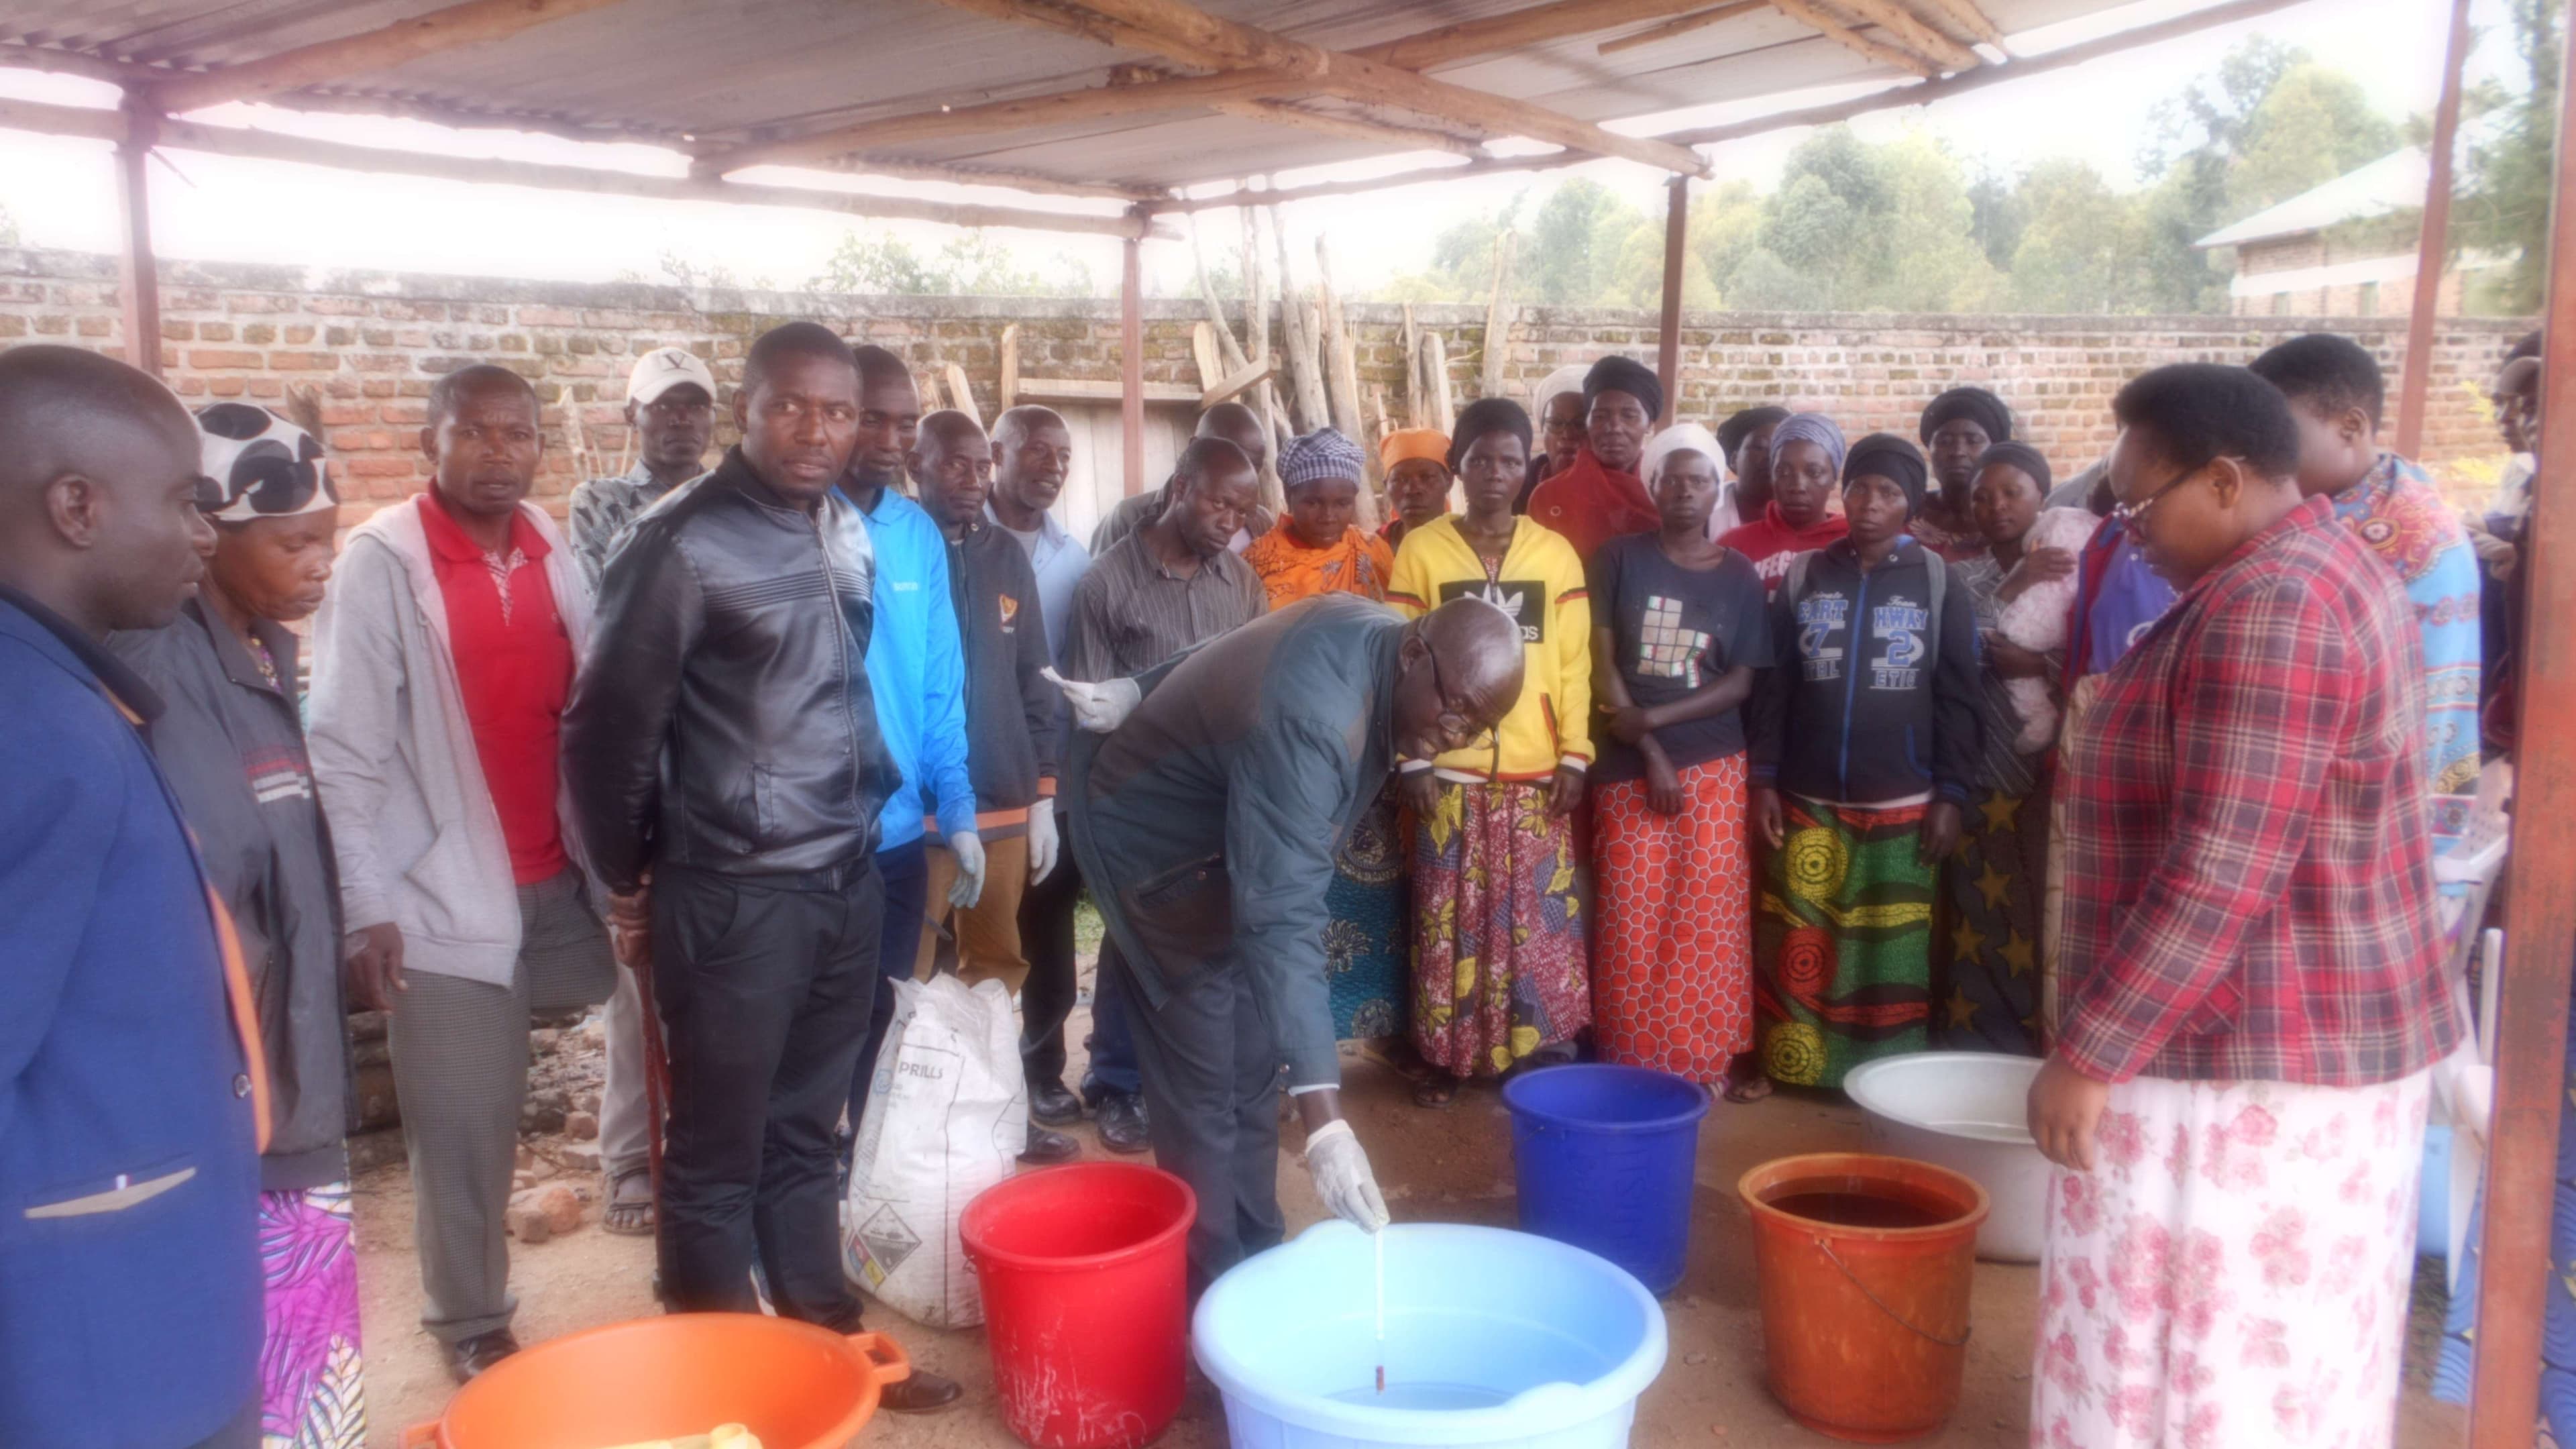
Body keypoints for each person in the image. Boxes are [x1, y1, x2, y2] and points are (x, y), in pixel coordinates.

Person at [2027, 363, 2457, 1449]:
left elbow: (2222, 864)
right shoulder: (2297, 573)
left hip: (2261, 1065)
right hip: (2269, 1037)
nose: (2124, 536)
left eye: (2136, 506)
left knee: (2211, 1364)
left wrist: (2091, 1051)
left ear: (2224, 481)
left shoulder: (2276, 605)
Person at [561, 323, 962, 1413]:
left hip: (842, 874)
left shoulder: (841, 526)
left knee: (807, 1127)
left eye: (838, 412)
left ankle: (824, 1336)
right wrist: (633, 879)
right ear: (747, 408)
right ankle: (718, 1386)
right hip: (731, 893)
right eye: (792, 407)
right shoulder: (682, 542)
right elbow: (605, 737)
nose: (818, 432)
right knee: (715, 1150)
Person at [1060, 592, 1527, 1289]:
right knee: (1204, 1091)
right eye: (1456, 709)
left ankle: (1260, 1263)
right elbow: (1280, 913)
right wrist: (1329, 1127)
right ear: (1414, 656)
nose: (1458, 734)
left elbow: (1232, 648)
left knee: (1253, 1069)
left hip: (1229, 842)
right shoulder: (1316, 721)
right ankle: (1213, 1302)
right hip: (1152, 851)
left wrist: (1141, 684)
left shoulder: (1376, 634)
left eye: (1479, 727)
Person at [308, 364, 615, 1382]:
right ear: (427, 444)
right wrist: (367, 905)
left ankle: (660, 1200)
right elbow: (344, 751)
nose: (500, 453)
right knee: (464, 1115)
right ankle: (472, 1322)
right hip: (442, 892)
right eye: (474, 434)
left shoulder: (548, 545)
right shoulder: (384, 563)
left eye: (518, 434)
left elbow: (593, 710)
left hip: (558, 874)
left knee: (685, 996)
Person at [0, 345, 264, 1449]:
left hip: (133, 1295)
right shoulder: (37, 728)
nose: (207, 534)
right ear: (76, 505)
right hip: (106, 1342)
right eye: (184, 500)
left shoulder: (66, 690)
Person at [107, 403, 364, 1444]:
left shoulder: (257, 652)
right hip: (246, 1107)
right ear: (214, 533)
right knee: (281, 1381)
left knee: (304, 1367)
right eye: (296, 543)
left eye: (327, 542)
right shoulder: (171, 673)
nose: (320, 567)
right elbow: (205, 899)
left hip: (286, 1075)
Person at [1748, 433, 1980, 1093]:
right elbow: (1775, 686)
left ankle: (1881, 1083)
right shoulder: (1805, 575)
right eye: (1859, 488)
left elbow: (1961, 697)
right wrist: (1763, 779)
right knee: (1800, 938)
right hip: (1807, 795)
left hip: (1903, 800)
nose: (1870, 504)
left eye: (1889, 492)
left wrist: (1951, 794)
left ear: (1911, 504)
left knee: (1887, 949)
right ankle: (1792, 1068)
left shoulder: (1938, 580)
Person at [1388, 397, 1596, 1107]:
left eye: (1511, 460)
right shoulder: (1421, 551)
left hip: (1536, 775)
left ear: (1526, 467)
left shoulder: (1555, 553)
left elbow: (1573, 666)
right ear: (1459, 468)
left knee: (1533, 924)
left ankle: (1535, 1057)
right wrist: (1412, 758)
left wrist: (1575, 754)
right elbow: (1399, 663)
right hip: (1450, 774)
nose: (1496, 474)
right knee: (1453, 921)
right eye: (1481, 460)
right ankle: (1448, 1059)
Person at [1064, 437, 1269, 1151]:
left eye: (1241, 510)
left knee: (1211, 935)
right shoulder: (1107, 583)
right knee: (1132, 942)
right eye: (1218, 501)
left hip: (1217, 795)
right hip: (1135, 801)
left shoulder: (1240, 584)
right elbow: (1088, 708)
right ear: (1180, 486)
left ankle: (1190, 1082)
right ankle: (1115, 1083)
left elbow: (1254, 687)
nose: (1229, 520)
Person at [566, 345, 716, 1239]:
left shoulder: (733, 499)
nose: (681, 422)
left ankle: (696, 1149)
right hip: (637, 763)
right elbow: (619, 616)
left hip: (712, 762)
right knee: (634, 979)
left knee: (712, 980)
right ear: (633, 419)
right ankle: (628, 1159)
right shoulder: (601, 504)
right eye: (664, 408)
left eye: (694, 407)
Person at [909, 411, 1078, 1164]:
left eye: (981, 467)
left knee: (997, 967)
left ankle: (999, 1119)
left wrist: (1043, 793)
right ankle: (906, 1132)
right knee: (906, 972)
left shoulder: (1006, 555)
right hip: (916, 815)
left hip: (1007, 804)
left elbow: (1035, 680)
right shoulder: (895, 548)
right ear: (917, 465)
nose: (972, 482)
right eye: (955, 466)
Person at [1587, 423, 1772, 1095]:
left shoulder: (1740, 577)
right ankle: (1633, 1063)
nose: (1686, 492)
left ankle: (1700, 1062)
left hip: (1717, 765)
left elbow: (1740, 681)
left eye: (1700, 480)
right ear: (1654, 485)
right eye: (1673, 478)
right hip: (1628, 766)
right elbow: (1601, 665)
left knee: (1706, 919)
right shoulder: (1618, 559)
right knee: (1632, 921)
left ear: (1717, 486)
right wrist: (1648, 750)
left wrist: (1656, 719)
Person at [837, 345, 983, 1152]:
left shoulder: (915, 533)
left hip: (893, 837)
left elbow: (937, 687)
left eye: (904, 422)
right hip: (802, 843)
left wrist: (954, 809)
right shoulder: (790, 519)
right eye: (871, 418)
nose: (890, 439)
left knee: (880, 1011)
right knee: (802, 1028)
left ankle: (860, 1169)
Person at [2247, 333, 2483, 796]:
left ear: (2350, 427)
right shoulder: (2385, 490)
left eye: (2280, 438)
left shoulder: (2393, 538)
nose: (2263, 459)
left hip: (2380, 803)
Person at [1939, 441, 2072, 1058]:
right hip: (1980, 769)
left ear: (2043, 496)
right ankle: (1976, 1043)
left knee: (2036, 915)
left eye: (2012, 492)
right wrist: (2012, 585)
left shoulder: (2074, 564)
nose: (1996, 507)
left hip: (2050, 775)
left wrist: (2041, 663)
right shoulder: (1960, 576)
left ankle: (2032, 1043)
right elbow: (1958, 655)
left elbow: (2093, 652)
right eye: (1982, 497)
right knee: (1978, 916)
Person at [985, 404, 1093, 1130]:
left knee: (1050, 923)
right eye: (1036, 452)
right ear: (997, 453)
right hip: (985, 766)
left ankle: (1043, 1068)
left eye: (1063, 456)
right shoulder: (956, 540)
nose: (1052, 468)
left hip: (1057, 771)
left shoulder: (1075, 557)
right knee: (984, 930)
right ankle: (980, 1077)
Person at [1089, 400, 1277, 556]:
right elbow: (1098, 593)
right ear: (1194, 447)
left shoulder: (1261, 523)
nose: (1243, 475)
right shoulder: (1128, 518)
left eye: (1254, 467)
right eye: (1230, 458)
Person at [1527, 356, 1664, 561]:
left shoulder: (1667, 493)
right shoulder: (1549, 497)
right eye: (1600, 416)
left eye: (1629, 415)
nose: (1614, 428)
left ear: (1650, 423)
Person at [1244, 427, 1396, 605]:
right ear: (1288, 495)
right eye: (1313, 503)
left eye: (1342, 504)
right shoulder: (1257, 563)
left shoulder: (1373, 551)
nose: (1328, 517)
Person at [1720, 412, 1851, 595]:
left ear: (1834, 479)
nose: (1797, 486)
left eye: (1814, 472)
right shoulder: (1733, 545)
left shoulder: (1852, 542)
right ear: (1772, 475)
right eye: (1784, 472)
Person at [1913, 386, 2014, 561]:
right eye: (1944, 441)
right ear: (1930, 448)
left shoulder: (2013, 521)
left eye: (1973, 441)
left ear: (1995, 448)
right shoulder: (1906, 516)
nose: (1958, 451)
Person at [1520, 362, 1590, 511]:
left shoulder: (1616, 487)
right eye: (1556, 423)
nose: (1567, 435)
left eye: (1580, 424)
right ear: (1542, 427)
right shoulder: (1520, 483)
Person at [1379, 425, 1452, 549]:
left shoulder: (1472, 543)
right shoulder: (1373, 548)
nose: (1412, 490)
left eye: (1426, 477)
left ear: (1449, 481)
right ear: (1386, 486)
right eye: (1400, 480)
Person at [1717, 404, 1790, 521]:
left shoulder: (1812, 521)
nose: (1772, 457)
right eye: (1760, 447)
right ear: (1734, 460)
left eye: (1782, 448)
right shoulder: (1703, 515)